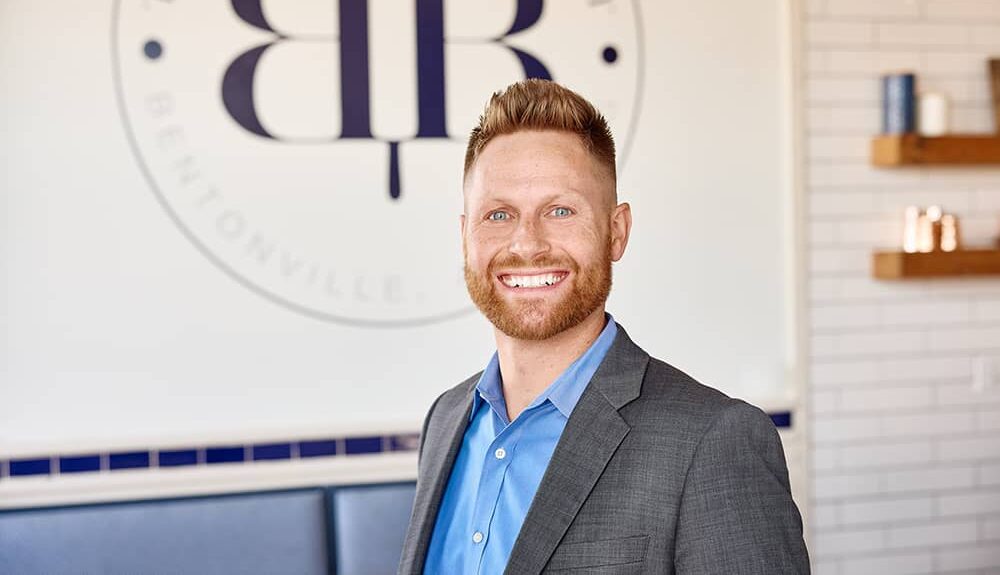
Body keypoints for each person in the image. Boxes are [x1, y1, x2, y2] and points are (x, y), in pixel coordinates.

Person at [398, 79, 809, 575]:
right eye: (499, 214)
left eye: (561, 210)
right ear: (465, 236)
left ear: (617, 232)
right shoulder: (445, 421)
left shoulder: (713, 442)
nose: (527, 244)